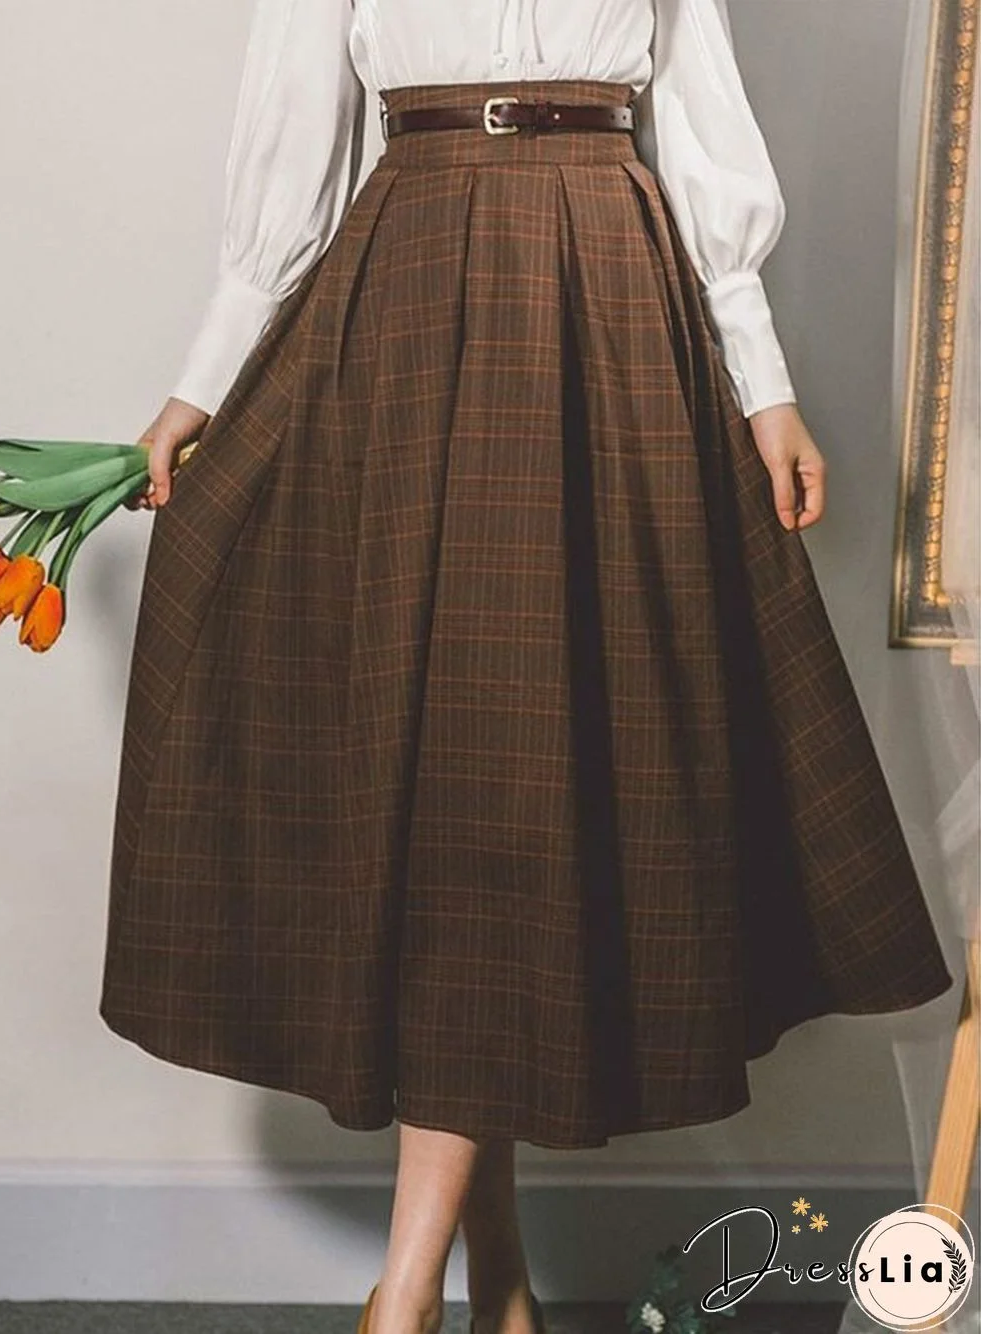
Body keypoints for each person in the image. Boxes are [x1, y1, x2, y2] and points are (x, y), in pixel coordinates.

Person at [99, 3, 955, 1332]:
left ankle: (417, 1296)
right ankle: (480, 1281)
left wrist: (764, 381)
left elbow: (700, 111)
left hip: (605, 283)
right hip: (407, 282)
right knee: (470, 769)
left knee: (508, 760)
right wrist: (203, 382)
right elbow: (297, 132)